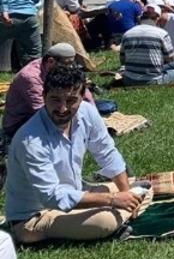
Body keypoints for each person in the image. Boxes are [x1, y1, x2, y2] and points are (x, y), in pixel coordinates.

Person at [5, 63, 144, 244]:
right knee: (105, 221)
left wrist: (125, 194)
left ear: (82, 97)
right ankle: (113, 218)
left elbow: (107, 152)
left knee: (141, 188)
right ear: (43, 96)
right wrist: (113, 199)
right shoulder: (30, 140)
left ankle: (123, 209)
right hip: (35, 216)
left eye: (70, 101)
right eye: (55, 100)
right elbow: (52, 196)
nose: (62, 108)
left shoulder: (87, 112)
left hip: (73, 195)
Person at [2, 43, 94, 142]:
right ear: (51, 61)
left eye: (72, 63)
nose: (70, 67)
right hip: (21, 122)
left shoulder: (60, 68)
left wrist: (93, 116)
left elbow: (83, 92)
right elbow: (43, 111)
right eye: (67, 63)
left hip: (52, 111)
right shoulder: (30, 77)